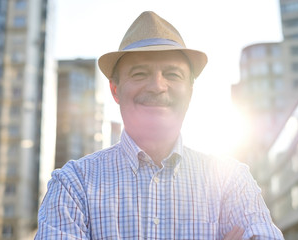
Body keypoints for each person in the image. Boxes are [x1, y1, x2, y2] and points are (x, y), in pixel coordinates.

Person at [35, 11, 284, 240]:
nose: (157, 86)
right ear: (115, 90)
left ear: (190, 91)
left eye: (172, 74)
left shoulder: (232, 182)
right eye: (140, 73)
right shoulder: (73, 185)